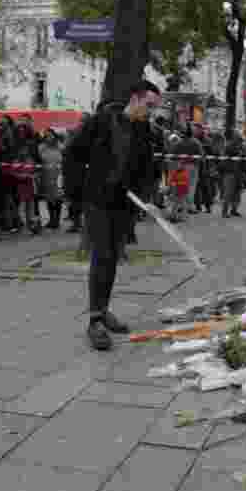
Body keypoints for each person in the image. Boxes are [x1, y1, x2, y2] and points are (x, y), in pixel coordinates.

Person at [69, 79, 161, 351]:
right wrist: (79, 193)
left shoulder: (143, 129)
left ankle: (103, 309)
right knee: (103, 255)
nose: (151, 111)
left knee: (112, 258)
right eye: (149, 105)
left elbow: (147, 167)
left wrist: (147, 198)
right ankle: (95, 320)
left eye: (154, 107)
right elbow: (73, 153)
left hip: (123, 204)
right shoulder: (101, 121)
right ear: (135, 98)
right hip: (97, 201)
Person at [38, 128, 64, 229]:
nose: (49, 137)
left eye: (51, 135)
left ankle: (56, 220)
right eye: (47, 135)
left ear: (54, 135)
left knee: (58, 198)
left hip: (58, 176)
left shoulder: (60, 146)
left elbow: (64, 159)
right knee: (49, 198)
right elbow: (39, 160)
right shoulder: (41, 147)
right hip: (46, 175)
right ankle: (51, 219)